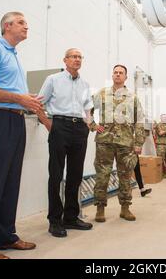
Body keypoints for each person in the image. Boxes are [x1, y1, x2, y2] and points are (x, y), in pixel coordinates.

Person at [0, 12, 43, 259]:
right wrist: (18, 98)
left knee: (10, 183)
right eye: (22, 22)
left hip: (16, 120)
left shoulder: (13, 55)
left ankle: (5, 236)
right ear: (7, 26)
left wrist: (26, 100)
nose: (27, 26)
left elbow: (11, 91)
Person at [37, 48, 94, 238]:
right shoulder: (53, 79)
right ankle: (55, 220)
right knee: (55, 174)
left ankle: (70, 217)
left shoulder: (85, 83)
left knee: (75, 175)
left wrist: (87, 125)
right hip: (59, 126)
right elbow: (39, 103)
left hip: (80, 130)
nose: (77, 59)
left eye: (80, 57)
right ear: (65, 60)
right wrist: (48, 124)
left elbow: (87, 108)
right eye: (74, 56)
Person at [90, 65, 146, 222]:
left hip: (126, 143)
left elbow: (139, 120)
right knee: (102, 175)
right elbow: (87, 110)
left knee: (125, 176)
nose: (118, 75)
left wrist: (139, 142)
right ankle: (100, 209)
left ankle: (125, 208)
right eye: (115, 72)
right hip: (104, 141)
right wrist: (93, 125)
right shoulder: (101, 93)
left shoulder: (132, 97)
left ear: (126, 77)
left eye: (121, 73)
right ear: (112, 75)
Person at [153, 114, 166, 179]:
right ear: (160, 118)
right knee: (160, 160)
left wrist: (165, 132)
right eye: (163, 117)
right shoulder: (158, 125)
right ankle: (160, 174)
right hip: (160, 145)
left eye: (165, 117)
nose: (164, 118)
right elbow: (160, 133)